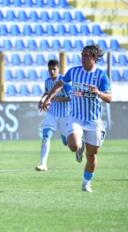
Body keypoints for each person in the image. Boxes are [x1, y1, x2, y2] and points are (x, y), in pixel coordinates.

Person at [42, 45, 112, 192]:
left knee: (92, 156)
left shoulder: (101, 76)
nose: (83, 57)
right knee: (73, 145)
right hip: (76, 117)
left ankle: (86, 183)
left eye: (87, 55)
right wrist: (48, 98)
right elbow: (60, 84)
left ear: (94, 58)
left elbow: (109, 98)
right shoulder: (74, 71)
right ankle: (79, 147)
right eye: (82, 54)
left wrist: (98, 92)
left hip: (93, 121)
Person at [36, 59, 71, 171]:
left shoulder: (64, 81)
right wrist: (42, 100)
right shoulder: (47, 81)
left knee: (68, 143)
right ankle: (43, 164)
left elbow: (71, 97)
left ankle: (80, 143)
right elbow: (47, 92)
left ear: (58, 69)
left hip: (65, 115)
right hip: (52, 113)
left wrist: (57, 98)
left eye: (54, 69)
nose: (51, 71)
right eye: (50, 69)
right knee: (46, 136)